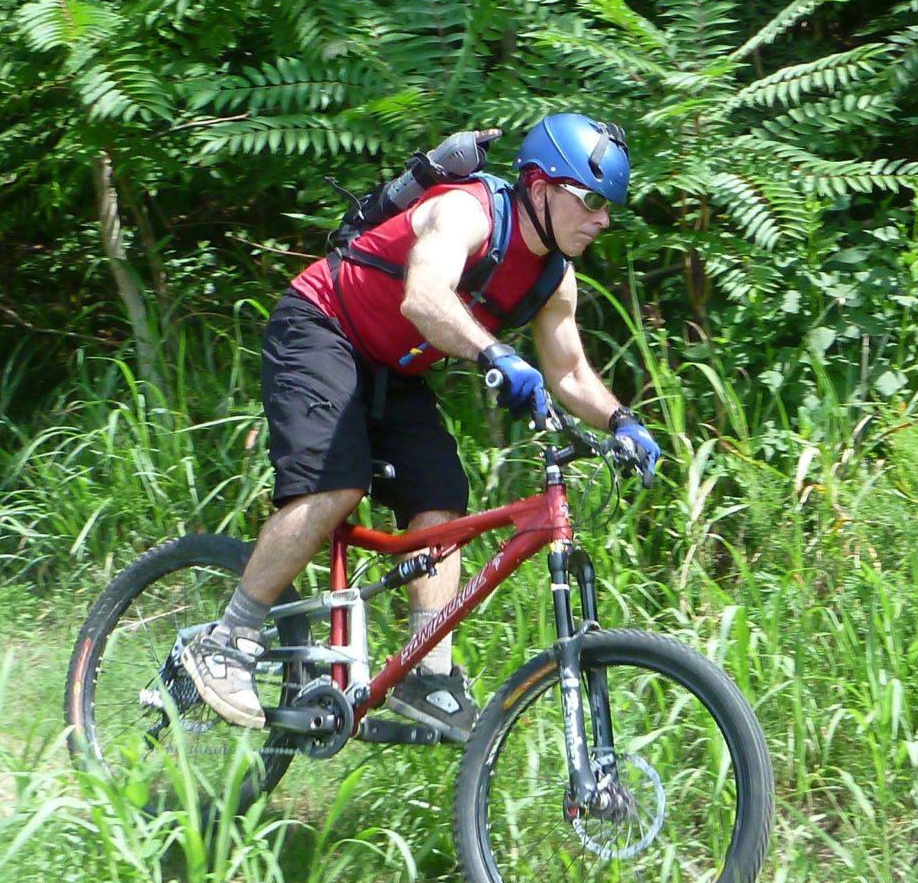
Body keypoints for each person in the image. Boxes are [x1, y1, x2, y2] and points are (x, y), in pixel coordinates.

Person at [178, 113, 662, 739]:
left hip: (390, 365)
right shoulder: (468, 213)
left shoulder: (553, 277)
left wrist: (624, 421)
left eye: (608, 208)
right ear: (541, 187)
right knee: (335, 487)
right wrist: (495, 355)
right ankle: (228, 640)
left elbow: (569, 370)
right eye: (592, 201)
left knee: (440, 500)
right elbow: (424, 297)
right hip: (321, 325)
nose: (602, 219)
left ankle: (425, 676)